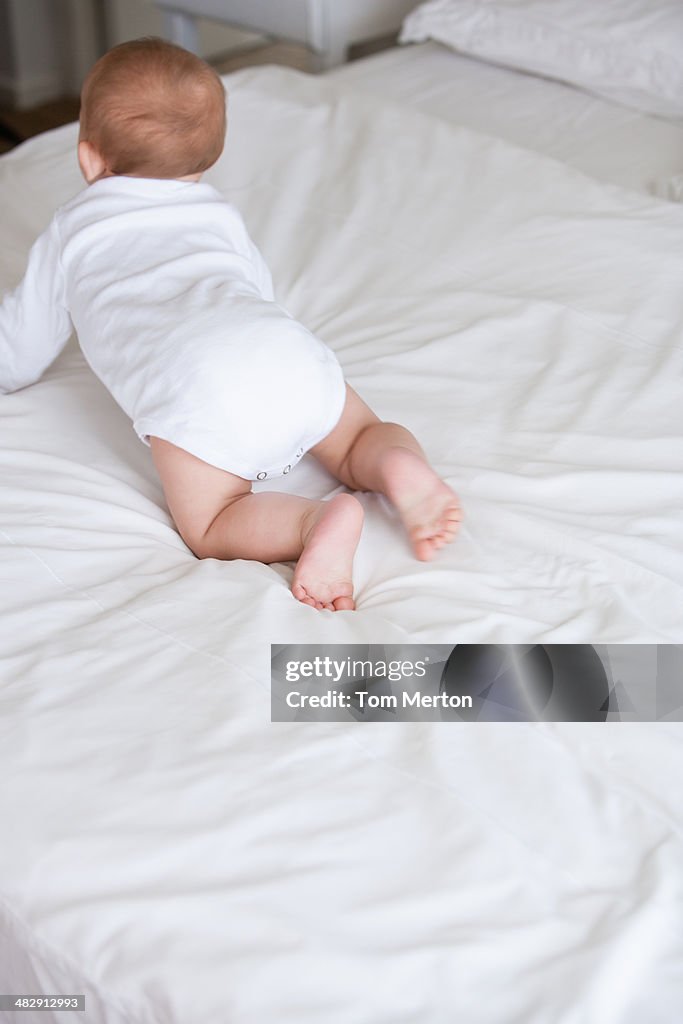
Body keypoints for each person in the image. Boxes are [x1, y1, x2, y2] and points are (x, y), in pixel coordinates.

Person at [0, 38, 461, 611]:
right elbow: (256, 291)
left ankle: (311, 525)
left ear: (89, 157)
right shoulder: (217, 212)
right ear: (208, 156)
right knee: (359, 437)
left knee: (213, 522)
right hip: (282, 350)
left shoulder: (73, 228)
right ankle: (396, 466)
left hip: (199, 386)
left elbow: (21, 348)